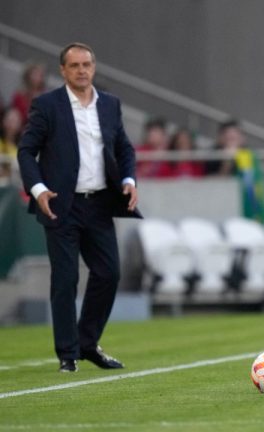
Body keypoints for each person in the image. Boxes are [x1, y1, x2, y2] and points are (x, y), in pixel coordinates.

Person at [16, 42, 141, 373]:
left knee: (109, 273)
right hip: (60, 204)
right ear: (63, 70)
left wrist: (129, 179)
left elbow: (124, 148)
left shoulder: (110, 105)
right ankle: (68, 354)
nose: (82, 70)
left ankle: (88, 344)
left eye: (87, 64)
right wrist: (38, 189)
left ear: (94, 67)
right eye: (75, 65)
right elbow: (26, 151)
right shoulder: (47, 105)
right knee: (66, 279)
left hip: (99, 203)